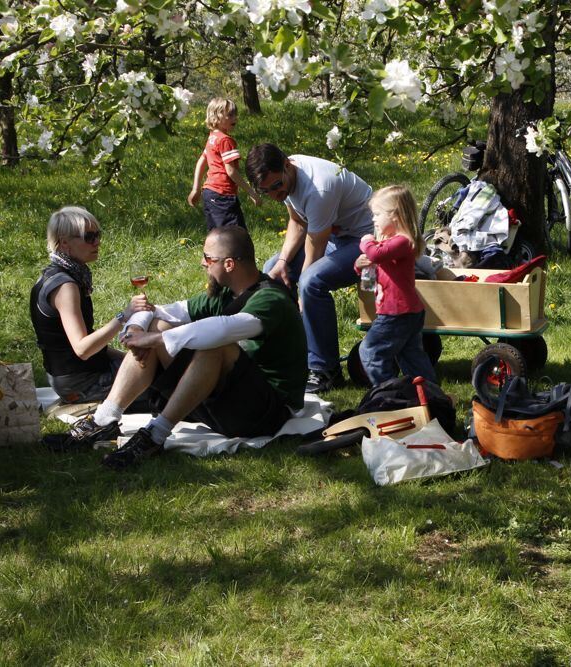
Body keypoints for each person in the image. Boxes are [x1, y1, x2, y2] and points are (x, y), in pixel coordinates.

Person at [57, 226, 308, 469]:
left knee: (213, 345)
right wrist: (136, 331)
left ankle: (155, 435)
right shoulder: (225, 293)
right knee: (159, 325)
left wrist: (156, 341)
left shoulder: (271, 300)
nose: (202, 263)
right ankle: (105, 419)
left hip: (268, 413)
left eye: (208, 258)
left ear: (229, 264)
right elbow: (165, 311)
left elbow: (224, 328)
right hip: (233, 403)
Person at [245, 143, 374, 393]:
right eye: (266, 191)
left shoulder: (319, 187)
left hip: (367, 240)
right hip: (336, 236)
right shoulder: (286, 178)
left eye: (276, 186)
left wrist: (303, 292)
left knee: (311, 283)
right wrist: (282, 262)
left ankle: (326, 369)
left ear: (287, 165)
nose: (274, 194)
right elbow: (297, 221)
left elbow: (316, 243)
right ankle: (293, 351)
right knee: (272, 267)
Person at [30, 206, 152, 404]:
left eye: (97, 234)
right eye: (88, 237)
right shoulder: (65, 286)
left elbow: (85, 339)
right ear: (64, 244)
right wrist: (124, 316)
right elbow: (82, 349)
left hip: (80, 373)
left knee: (152, 364)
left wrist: (125, 358)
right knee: (165, 389)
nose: (97, 242)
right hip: (81, 382)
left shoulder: (62, 275)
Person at [354, 185, 436, 386]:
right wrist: (359, 265)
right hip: (405, 312)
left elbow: (374, 254)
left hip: (397, 313)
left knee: (370, 351)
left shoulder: (403, 242)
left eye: (377, 214)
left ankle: (388, 391)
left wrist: (365, 241)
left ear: (395, 215)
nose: (373, 219)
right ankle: (430, 396)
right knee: (412, 358)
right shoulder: (389, 243)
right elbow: (374, 268)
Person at [187, 98, 262, 230]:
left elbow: (201, 162)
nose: (235, 118)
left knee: (216, 235)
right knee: (235, 236)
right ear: (216, 117)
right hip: (223, 196)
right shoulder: (226, 140)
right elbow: (231, 171)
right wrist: (251, 193)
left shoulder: (213, 137)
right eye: (230, 115)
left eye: (235, 114)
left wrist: (196, 188)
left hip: (209, 193)